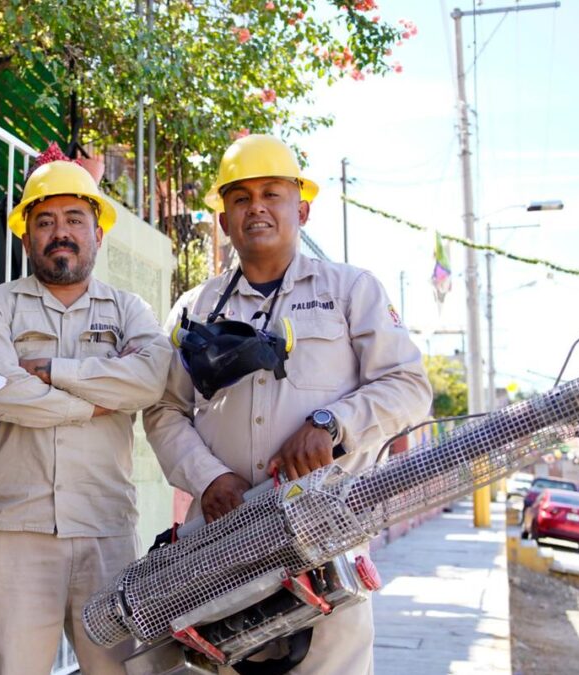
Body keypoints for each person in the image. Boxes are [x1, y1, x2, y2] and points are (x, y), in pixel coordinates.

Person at [143, 134, 432, 674]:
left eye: (271, 193)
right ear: (225, 219)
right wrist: (207, 478)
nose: (256, 207)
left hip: (324, 542)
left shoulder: (351, 291)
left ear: (301, 208)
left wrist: (331, 423)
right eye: (240, 197)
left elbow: (409, 385)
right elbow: (162, 410)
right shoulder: (194, 309)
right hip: (223, 546)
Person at [0, 148, 173, 675]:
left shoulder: (130, 310)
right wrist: (98, 402)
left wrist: (54, 370)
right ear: (27, 234)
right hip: (15, 531)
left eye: (74, 219)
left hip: (105, 531)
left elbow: (152, 379)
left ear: (98, 232)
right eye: (46, 221)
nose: (61, 232)